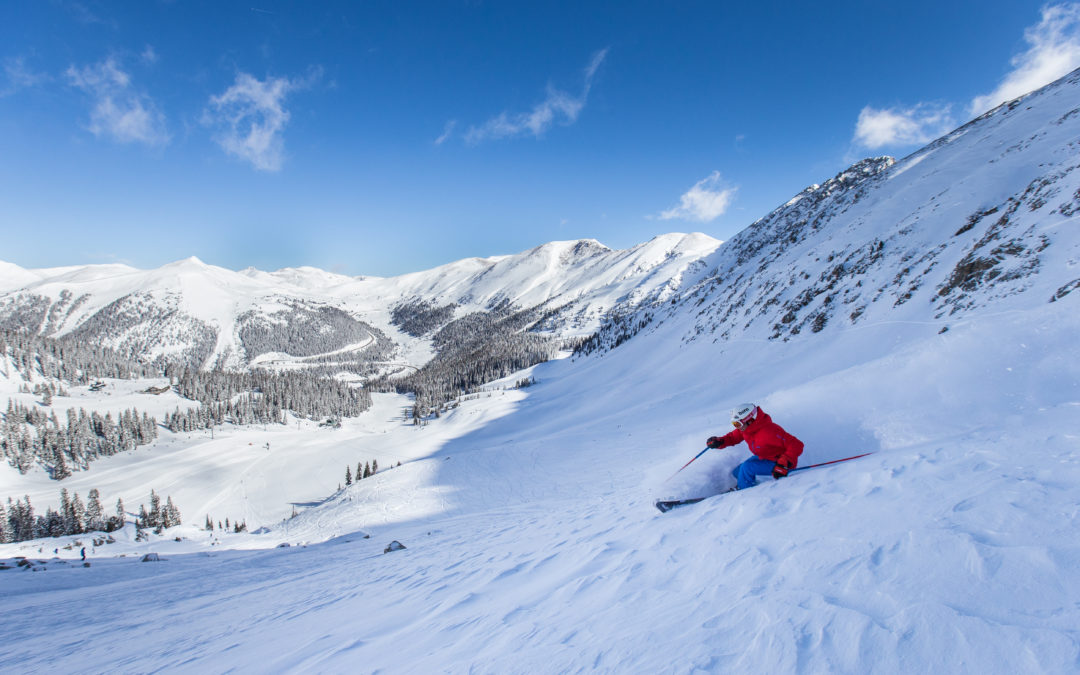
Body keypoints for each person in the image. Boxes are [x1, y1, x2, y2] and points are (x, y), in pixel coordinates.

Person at [707, 403, 804, 490]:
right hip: (765, 457)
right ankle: (745, 483)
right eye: (734, 424)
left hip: (780, 464)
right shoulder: (746, 429)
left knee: (747, 468)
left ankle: (745, 491)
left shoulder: (770, 431)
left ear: (749, 419)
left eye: (738, 423)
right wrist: (719, 442)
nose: (737, 427)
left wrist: (784, 463)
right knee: (737, 471)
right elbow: (732, 437)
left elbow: (796, 444)